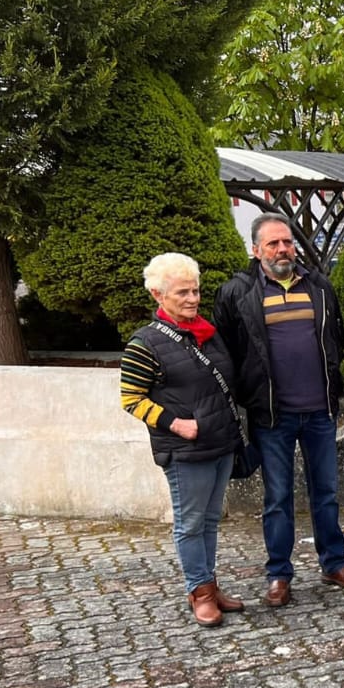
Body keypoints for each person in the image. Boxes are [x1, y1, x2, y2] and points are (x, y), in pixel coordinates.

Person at [212, 214, 344, 608]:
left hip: (319, 411)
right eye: (273, 244)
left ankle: (334, 563)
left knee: (327, 493)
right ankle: (279, 574)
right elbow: (227, 352)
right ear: (256, 250)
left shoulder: (318, 286)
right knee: (278, 498)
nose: (283, 249)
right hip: (272, 416)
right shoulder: (238, 292)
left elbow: (334, 340)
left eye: (287, 242)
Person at [120, 253, 246, 627]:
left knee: (209, 520)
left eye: (195, 291)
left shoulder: (206, 334)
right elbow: (131, 399)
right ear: (159, 295)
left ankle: (209, 584)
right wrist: (175, 424)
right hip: (186, 449)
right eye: (182, 293)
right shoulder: (145, 344)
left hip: (220, 442)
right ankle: (199, 592)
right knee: (190, 523)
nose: (192, 299)